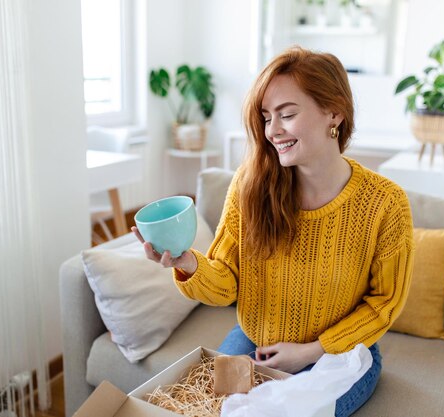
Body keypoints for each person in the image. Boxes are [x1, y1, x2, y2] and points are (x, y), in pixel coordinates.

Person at [133, 46, 414, 417]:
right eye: (266, 117)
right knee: (208, 409)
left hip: (339, 354)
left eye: (288, 114)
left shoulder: (385, 204)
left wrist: (311, 351)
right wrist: (187, 263)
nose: (272, 130)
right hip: (256, 341)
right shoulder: (251, 187)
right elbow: (226, 283)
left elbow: (385, 303)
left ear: (334, 112)